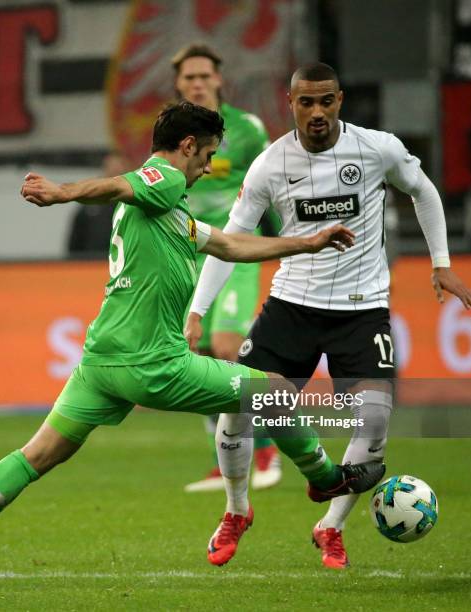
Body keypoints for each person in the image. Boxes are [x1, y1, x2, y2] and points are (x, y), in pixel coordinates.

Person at [0, 101, 386, 585]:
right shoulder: (161, 179)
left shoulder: (169, 209)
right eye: (206, 155)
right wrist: (62, 193)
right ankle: (325, 478)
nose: (208, 167)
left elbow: (231, 245)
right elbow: (118, 183)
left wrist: (305, 244)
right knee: (270, 388)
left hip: (100, 364)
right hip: (154, 364)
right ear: (186, 147)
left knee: (36, 455)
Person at [185, 63, 471, 569]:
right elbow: (230, 240)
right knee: (242, 404)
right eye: (307, 102)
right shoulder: (270, 164)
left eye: (326, 101)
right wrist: (197, 312)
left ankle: (331, 526)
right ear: (291, 103)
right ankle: (236, 511)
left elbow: (424, 190)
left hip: (361, 311)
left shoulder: (376, 148)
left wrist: (442, 265)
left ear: (340, 100)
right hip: (291, 307)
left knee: (374, 421)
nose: (317, 111)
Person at [171, 43, 281, 492]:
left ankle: (267, 447)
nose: (197, 82)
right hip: (188, 254)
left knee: (228, 345)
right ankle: (226, 456)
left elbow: (277, 183)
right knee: (192, 354)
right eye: (189, 77)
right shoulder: (173, 131)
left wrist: (285, 240)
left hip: (235, 250)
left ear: (218, 79)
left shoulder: (248, 130)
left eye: (204, 75)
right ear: (179, 84)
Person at [67, 151, 133, 257]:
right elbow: (75, 241)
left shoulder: (132, 204)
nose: (115, 170)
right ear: (105, 168)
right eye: (112, 167)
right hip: (91, 265)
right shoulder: (90, 203)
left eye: (119, 166)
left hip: (123, 265)